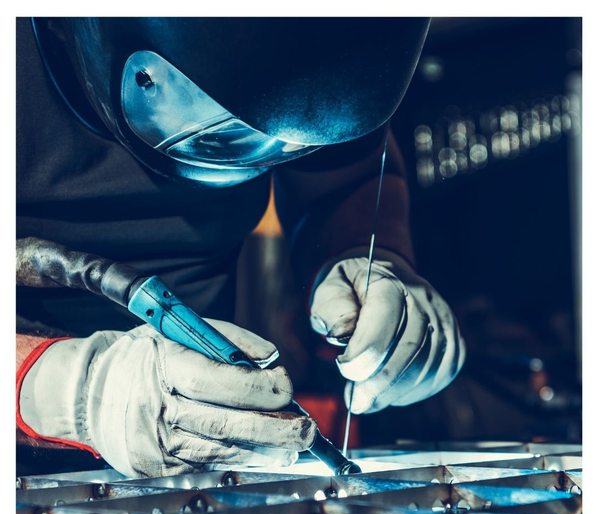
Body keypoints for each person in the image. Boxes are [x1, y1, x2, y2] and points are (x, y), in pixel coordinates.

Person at [16, 17, 465, 478]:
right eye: (228, 132)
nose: (268, 150)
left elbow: (343, 173)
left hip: (197, 463)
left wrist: (366, 258)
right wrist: (62, 390)